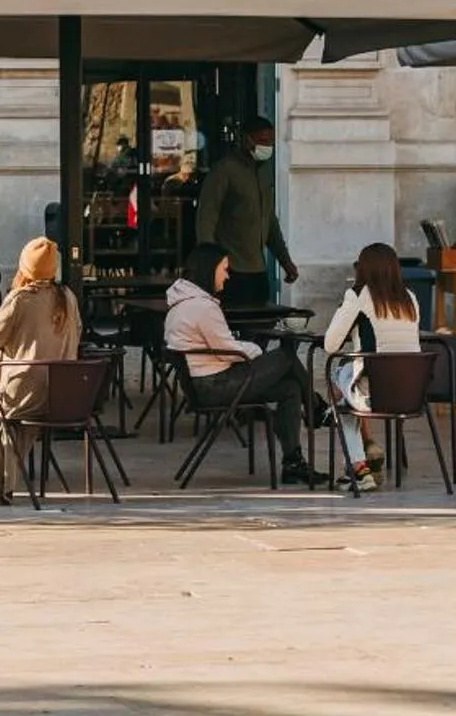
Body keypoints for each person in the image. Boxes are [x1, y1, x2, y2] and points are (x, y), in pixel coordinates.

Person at [164, 241, 327, 487]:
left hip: (206, 383)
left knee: (290, 388)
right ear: (210, 270)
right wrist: (257, 349)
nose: (228, 276)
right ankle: (316, 407)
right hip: (217, 385)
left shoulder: (181, 305)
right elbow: (230, 350)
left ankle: (293, 463)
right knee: (286, 355)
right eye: (224, 269)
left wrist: (248, 350)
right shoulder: (201, 307)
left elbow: (223, 347)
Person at [0, 236, 81, 506]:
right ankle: (4, 481)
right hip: (62, 395)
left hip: (22, 393)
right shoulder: (68, 297)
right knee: (12, 413)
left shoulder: (20, 299)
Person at [320, 243, 424, 489]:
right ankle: (361, 454)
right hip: (411, 394)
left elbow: (330, 344)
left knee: (338, 378)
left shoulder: (359, 294)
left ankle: (357, 466)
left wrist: (346, 310)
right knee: (346, 388)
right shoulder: (410, 298)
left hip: (373, 394)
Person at [194, 116, 297, 308]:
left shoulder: (264, 171)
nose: (267, 146)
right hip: (231, 268)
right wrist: (209, 265)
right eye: (262, 141)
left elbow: (269, 221)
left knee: (262, 323)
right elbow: (207, 218)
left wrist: (285, 261)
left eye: (270, 141)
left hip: (257, 268)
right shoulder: (225, 171)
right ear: (247, 139)